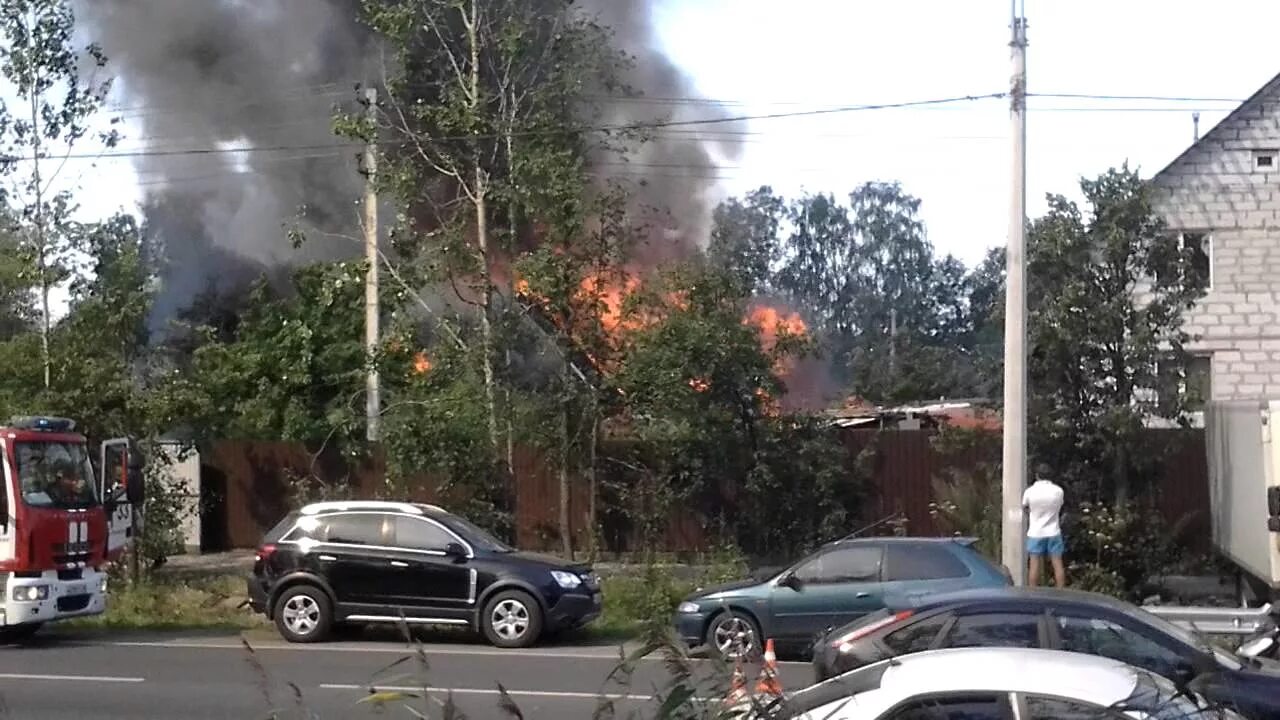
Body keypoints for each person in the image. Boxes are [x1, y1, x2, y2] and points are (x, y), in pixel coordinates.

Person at [1022, 465, 1066, 588]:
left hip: (1036, 532)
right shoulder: (1058, 491)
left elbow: (1025, 507)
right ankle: (1061, 591)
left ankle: (1033, 592)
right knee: (1057, 563)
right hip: (1054, 531)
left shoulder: (1030, 491)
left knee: (1034, 564)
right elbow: (1060, 507)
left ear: (1037, 475)